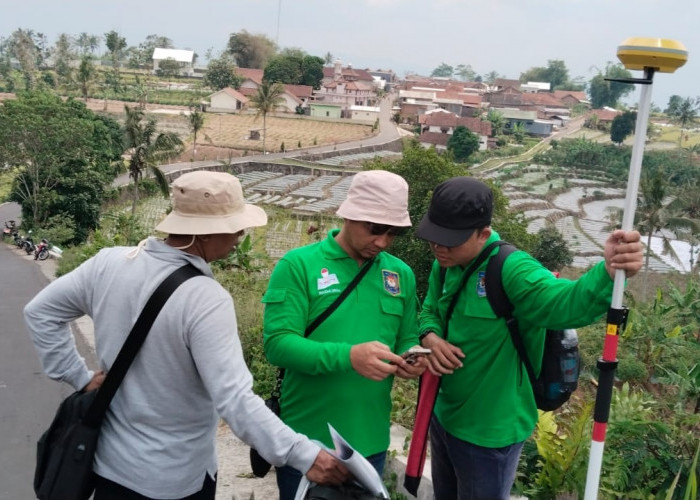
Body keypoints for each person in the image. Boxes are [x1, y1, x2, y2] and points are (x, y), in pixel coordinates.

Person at [24, 171, 348, 500]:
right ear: (203, 234)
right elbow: (235, 400)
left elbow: (40, 311)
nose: (240, 234)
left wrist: (78, 376)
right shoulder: (205, 299)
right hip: (173, 480)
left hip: (108, 468)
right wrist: (304, 455)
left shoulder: (107, 263)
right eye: (234, 226)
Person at [415, 176, 644, 500]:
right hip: (443, 417)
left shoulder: (511, 269)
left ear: (483, 233)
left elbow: (566, 302)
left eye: (449, 240)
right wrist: (431, 338)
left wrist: (608, 271)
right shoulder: (446, 264)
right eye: (434, 237)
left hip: (490, 436)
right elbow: (429, 311)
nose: (438, 247)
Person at [262, 170, 427, 500]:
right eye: (374, 229)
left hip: (372, 443)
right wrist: (349, 357)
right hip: (308, 444)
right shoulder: (299, 266)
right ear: (348, 213)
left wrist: (412, 357)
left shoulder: (400, 275)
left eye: (393, 232)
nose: (382, 241)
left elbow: (407, 336)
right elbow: (278, 344)